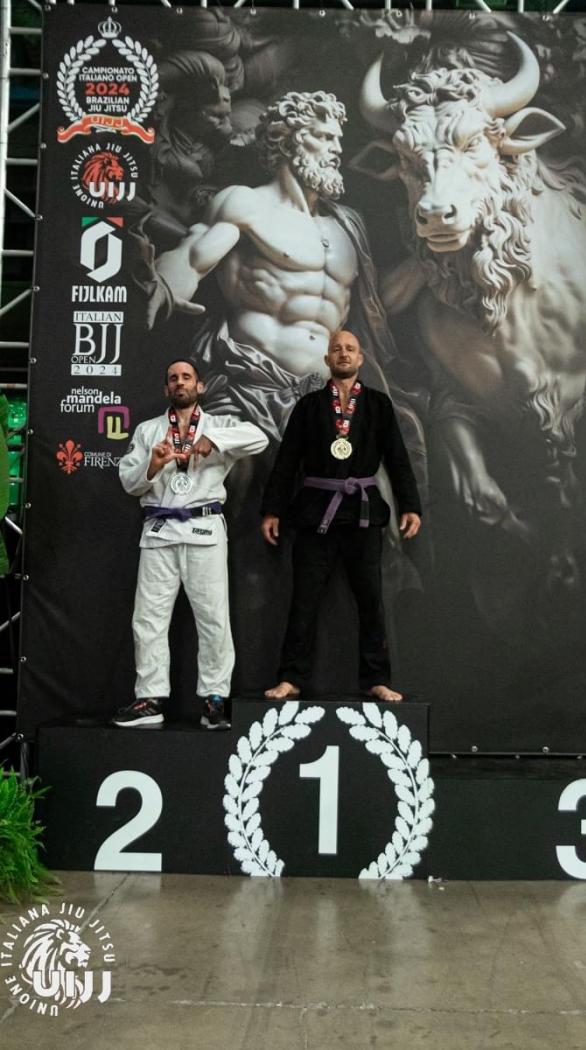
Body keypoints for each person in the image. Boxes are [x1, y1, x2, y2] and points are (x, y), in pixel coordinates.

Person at [145, 90, 410, 448]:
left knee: (373, 477)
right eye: (325, 137)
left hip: (325, 395)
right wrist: (162, 287)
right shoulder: (248, 204)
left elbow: (377, 308)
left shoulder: (347, 226)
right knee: (217, 468)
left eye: (338, 139)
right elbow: (190, 258)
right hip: (251, 389)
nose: (336, 149)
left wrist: (426, 265)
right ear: (289, 141)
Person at [261, 330, 421, 703]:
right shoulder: (309, 406)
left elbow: (398, 458)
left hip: (362, 514)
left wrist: (410, 505)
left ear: (361, 358)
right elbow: (287, 461)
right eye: (336, 349)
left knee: (371, 600)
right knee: (304, 600)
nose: (343, 354)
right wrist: (272, 510)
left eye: (350, 349)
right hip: (315, 512)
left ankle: (376, 678)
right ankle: (291, 677)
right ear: (327, 360)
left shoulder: (378, 405)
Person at [112, 359, 268, 729]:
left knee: (213, 618)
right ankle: (150, 698)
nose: (179, 383)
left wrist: (215, 441)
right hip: (160, 531)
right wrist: (153, 464)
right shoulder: (150, 431)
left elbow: (259, 438)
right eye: (173, 379)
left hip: (204, 530)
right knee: (148, 619)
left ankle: (214, 699)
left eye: (186, 377)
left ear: (200, 386)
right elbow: (129, 482)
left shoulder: (219, 426)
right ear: (166, 389)